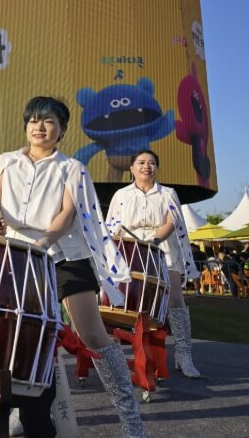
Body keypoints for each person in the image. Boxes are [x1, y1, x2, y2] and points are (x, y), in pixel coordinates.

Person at [0, 97, 143, 438]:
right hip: (18, 258)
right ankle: (19, 410)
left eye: (49, 121)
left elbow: (67, 214)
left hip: (64, 256)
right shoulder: (5, 163)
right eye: (34, 121)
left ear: (62, 129)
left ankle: (130, 416)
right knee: (20, 338)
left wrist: (44, 241)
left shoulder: (72, 167)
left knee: (93, 334)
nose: (40, 127)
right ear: (26, 126)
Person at [106, 150, 203, 379]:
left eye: (151, 163)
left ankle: (184, 354)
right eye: (140, 162)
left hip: (162, 249)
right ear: (131, 168)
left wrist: (154, 240)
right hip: (130, 251)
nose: (146, 166)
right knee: (116, 297)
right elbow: (112, 226)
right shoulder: (121, 194)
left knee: (176, 299)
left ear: (156, 168)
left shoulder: (167, 193)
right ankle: (113, 355)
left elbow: (172, 221)